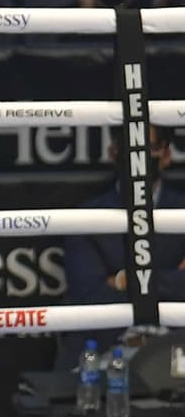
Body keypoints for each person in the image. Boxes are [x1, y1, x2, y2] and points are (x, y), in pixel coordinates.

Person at [58, 124, 185, 364]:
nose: (138, 158)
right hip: (103, 350)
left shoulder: (183, 212)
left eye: (148, 148)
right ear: (113, 152)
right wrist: (167, 279)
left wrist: (122, 280)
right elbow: (89, 297)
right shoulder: (85, 218)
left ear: (166, 155)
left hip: (177, 349)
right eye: (130, 148)